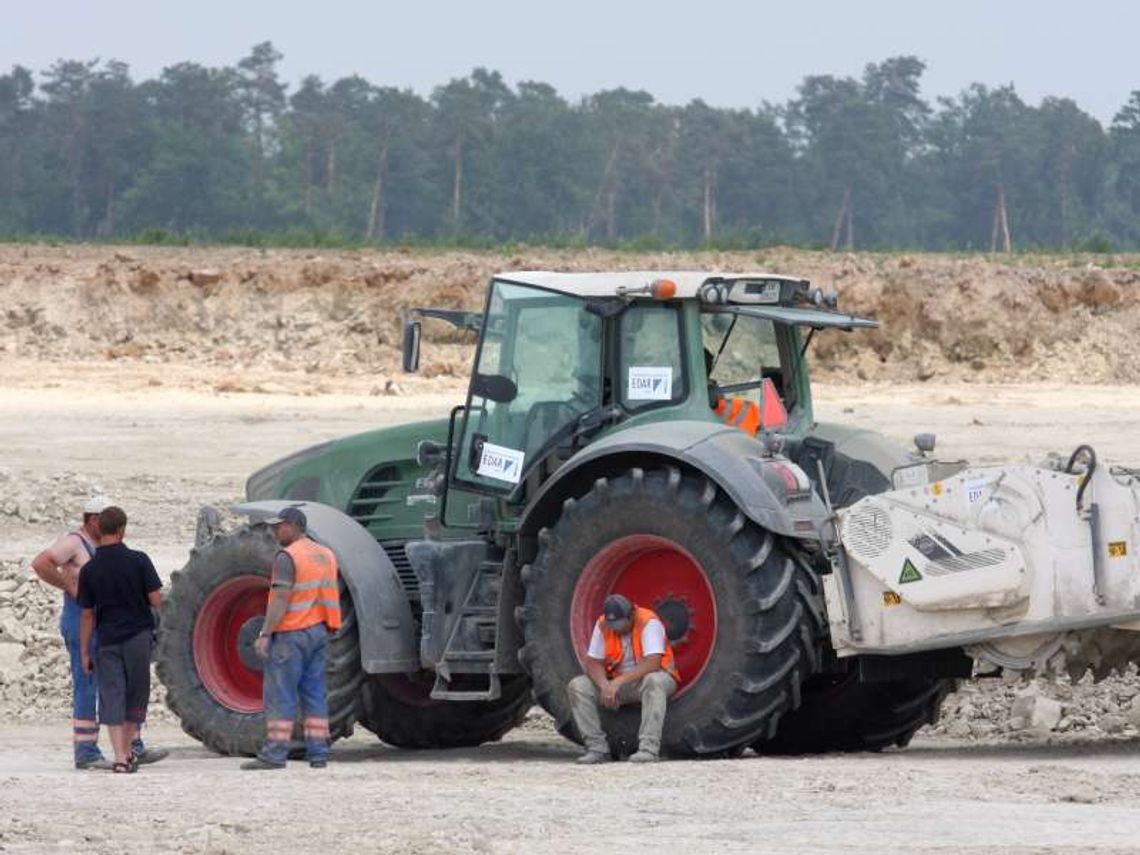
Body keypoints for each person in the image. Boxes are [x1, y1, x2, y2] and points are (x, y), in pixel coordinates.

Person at [242, 507, 341, 770]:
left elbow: (281, 597)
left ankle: (274, 755)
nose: (275, 531)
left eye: (280, 526)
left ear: (294, 526)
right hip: (319, 633)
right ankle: (318, 754)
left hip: (291, 634)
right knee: (315, 694)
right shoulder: (326, 554)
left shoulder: (289, 557)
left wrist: (265, 633)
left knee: (281, 695)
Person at [77, 506, 165, 773]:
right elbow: (156, 600)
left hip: (107, 640)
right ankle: (128, 752)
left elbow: (87, 615)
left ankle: (119, 758)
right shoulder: (139, 560)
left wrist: (85, 652)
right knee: (135, 694)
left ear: (99, 529)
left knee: (112, 694)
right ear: (122, 530)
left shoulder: (89, 570)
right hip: (138, 637)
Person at [30, 496, 110, 769]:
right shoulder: (74, 543)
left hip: (100, 619)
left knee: (109, 681)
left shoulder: (102, 544)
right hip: (79, 618)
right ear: (93, 520)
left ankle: (129, 745)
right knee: (86, 681)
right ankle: (86, 751)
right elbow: (41, 563)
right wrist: (72, 588)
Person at [566, 594, 680, 764]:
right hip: (618, 684)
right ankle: (597, 749)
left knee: (654, 681)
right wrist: (605, 685)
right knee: (577, 686)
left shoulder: (648, 622)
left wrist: (617, 682)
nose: (617, 629)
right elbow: (593, 662)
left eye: (620, 624)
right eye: (613, 625)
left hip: (653, 679)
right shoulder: (603, 624)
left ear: (632, 615)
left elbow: (653, 663)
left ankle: (648, 749)